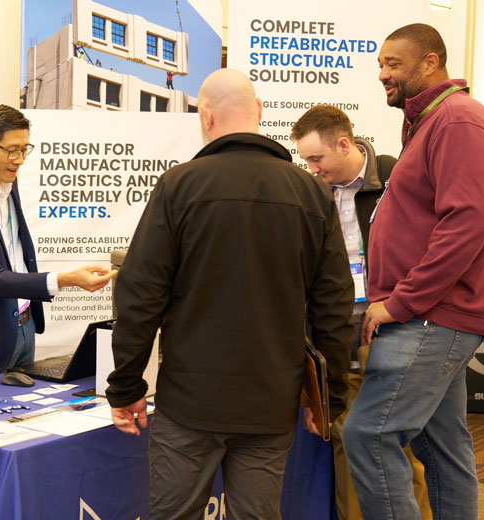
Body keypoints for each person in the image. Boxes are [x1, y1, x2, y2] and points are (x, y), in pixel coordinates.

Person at [107, 68, 354, 520]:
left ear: (205, 116)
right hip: (270, 402)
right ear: (259, 113)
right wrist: (330, 396)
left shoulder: (179, 186)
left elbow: (140, 296)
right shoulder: (313, 194)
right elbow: (335, 306)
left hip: (189, 402)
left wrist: (126, 384)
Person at [341, 23, 484, 520]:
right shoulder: (431, 121)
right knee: (442, 446)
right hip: (431, 314)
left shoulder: (458, 122)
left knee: (369, 434)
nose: (382, 74)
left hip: (432, 316)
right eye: (380, 64)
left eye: (393, 64)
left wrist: (401, 300)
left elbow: (467, 222)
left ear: (430, 62)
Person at [291, 105, 431, 520]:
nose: (312, 169)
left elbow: (428, 246)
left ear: (344, 144)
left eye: (316, 159)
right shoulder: (311, 191)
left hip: (390, 322)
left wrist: (399, 304)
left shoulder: (395, 175)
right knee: (345, 436)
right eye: (306, 162)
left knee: (397, 438)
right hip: (334, 326)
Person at [0, 104, 116, 382]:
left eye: (24, 149)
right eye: (12, 150)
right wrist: (68, 279)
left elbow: (15, 255)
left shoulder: (7, 183)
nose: (19, 160)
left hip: (24, 325)